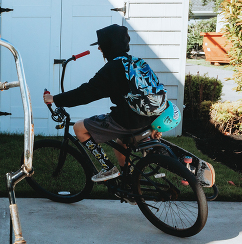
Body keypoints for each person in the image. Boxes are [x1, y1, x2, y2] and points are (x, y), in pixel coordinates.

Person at [44, 24, 162, 182]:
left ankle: (108, 168)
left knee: (79, 128)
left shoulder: (113, 68)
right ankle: (130, 182)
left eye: (101, 45)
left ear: (110, 45)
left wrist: (56, 99)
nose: (99, 48)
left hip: (128, 120)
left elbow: (86, 93)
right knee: (121, 143)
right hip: (148, 118)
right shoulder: (137, 62)